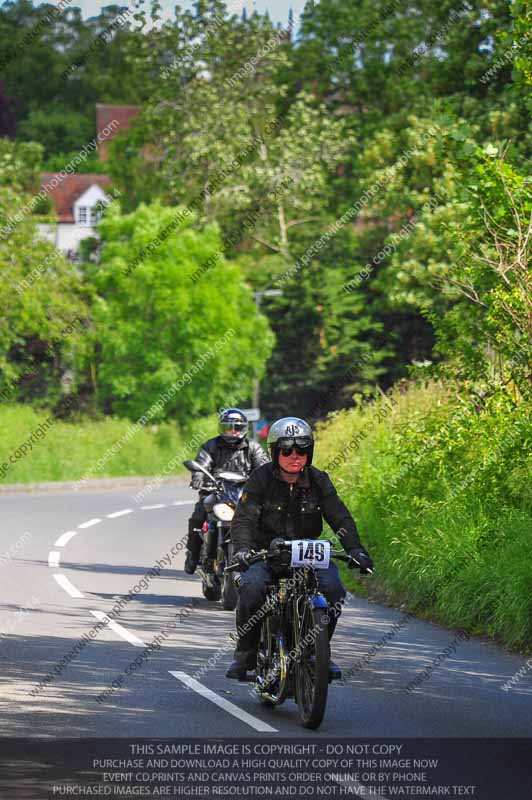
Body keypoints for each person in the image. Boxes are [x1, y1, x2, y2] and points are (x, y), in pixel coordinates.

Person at [226, 416, 373, 680]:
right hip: (266, 554)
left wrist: (355, 549)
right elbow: (244, 519)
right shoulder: (260, 480)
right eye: (287, 449)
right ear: (274, 451)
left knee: (334, 590)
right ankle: (245, 652)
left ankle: (319, 651)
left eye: (302, 449)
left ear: (310, 450)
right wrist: (242, 550)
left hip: (308, 554)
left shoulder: (318, 480)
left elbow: (339, 516)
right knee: (252, 587)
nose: (295, 455)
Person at [184, 408, 270, 575]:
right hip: (215, 492)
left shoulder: (253, 448)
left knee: (264, 519)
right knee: (198, 516)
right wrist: (198, 476)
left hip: (243, 495)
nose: (232, 431)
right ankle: (193, 555)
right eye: (228, 427)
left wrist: (266, 483)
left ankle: (262, 560)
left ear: (243, 428)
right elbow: (202, 463)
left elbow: (263, 468)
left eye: (236, 427)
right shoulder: (211, 445)